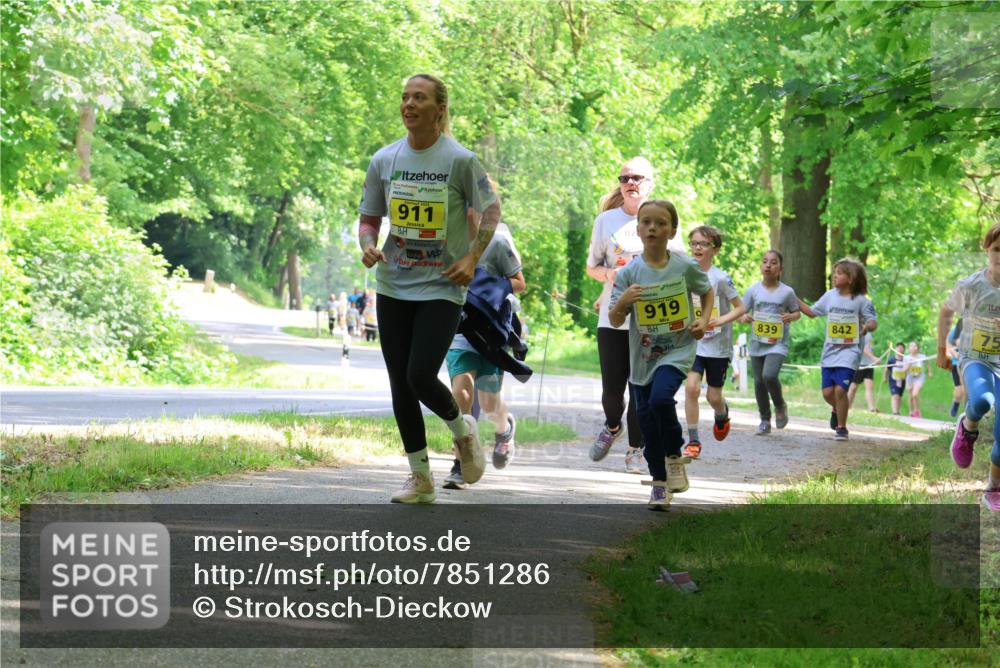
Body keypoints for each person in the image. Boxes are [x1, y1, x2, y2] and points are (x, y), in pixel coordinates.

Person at [358, 73, 500, 504]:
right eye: (404, 97)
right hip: (394, 283)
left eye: (419, 98)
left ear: (439, 109)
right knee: (400, 383)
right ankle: (420, 478)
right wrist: (367, 246)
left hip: (442, 285)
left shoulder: (459, 160)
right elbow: (369, 219)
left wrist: (472, 258)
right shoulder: (385, 159)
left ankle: (462, 429)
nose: (409, 104)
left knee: (420, 374)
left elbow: (491, 211)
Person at [608, 199, 713, 510]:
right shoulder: (630, 273)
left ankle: (674, 456)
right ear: (638, 230)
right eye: (646, 222)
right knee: (647, 422)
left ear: (672, 231)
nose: (652, 228)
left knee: (661, 400)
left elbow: (706, 291)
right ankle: (658, 484)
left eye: (660, 223)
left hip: (677, 349)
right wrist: (624, 301)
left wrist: (703, 321)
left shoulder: (684, 266)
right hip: (643, 357)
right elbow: (615, 320)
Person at [586, 158, 685, 473]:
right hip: (614, 316)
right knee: (612, 391)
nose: (630, 183)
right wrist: (613, 275)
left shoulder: (664, 219)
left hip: (651, 320)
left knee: (639, 386)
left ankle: (635, 449)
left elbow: (681, 268)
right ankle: (613, 426)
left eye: (637, 178)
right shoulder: (605, 221)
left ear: (650, 183)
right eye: (625, 177)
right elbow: (593, 268)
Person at [444, 203, 526, 490]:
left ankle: (504, 430)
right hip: (458, 331)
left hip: (491, 333)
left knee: (490, 403)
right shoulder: (446, 241)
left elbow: (519, 282)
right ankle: (461, 463)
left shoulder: (498, 243)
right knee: (461, 394)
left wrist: (488, 284)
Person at [937, 221, 1000, 511]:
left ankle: (994, 489)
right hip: (975, 357)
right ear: (987, 249)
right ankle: (968, 427)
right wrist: (942, 349)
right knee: (983, 400)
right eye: (997, 249)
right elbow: (946, 312)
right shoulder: (972, 285)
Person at [798, 258, 878, 441]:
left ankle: (842, 427)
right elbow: (812, 312)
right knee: (828, 393)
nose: (834, 276)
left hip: (850, 352)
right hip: (830, 353)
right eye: (834, 272)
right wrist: (793, 298)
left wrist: (868, 326)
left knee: (841, 391)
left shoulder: (861, 301)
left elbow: (872, 320)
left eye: (839, 273)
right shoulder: (830, 296)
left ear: (850, 278)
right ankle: (836, 408)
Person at [682, 225, 745, 458]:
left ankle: (721, 414)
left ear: (715, 250)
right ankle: (693, 441)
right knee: (691, 388)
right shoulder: (684, 274)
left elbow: (741, 308)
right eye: (694, 243)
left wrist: (719, 321)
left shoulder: (720, 278)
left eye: (704, 244)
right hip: (694, 342)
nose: (698, 248)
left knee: (713, 397)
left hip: (717, 346)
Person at [739, 250, 800, 435]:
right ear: (760, 266)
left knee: (769, 376)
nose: (768, 265)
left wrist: (790, 316)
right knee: (758, 382)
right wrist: (744, 317)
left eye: (773, 263)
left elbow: (797, 312)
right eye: (764, 261)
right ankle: (764, 420)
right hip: (758, 343)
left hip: (777, 343)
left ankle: (780, 405)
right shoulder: (753, 290)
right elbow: (741, 311)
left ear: (780, 268)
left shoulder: (787, 292)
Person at [848, 336, 879, 412]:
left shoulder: (870, 334)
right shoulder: (861, 333)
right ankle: (846, 406)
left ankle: (871, 408)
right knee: (853, 387)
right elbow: (863, 348)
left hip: (869, 365)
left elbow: (869, 348)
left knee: (869, 387)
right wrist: (873, 358)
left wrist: (873, 360)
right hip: (859, 364)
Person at [904, 341, 931, 418]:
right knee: (910, 396)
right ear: (909, 348)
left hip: (919, 377)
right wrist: (909, 364)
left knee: (915, 394)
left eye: (914, 346)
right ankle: (911, 411)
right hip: (910, 378)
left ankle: (917, 411)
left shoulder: (922, 356)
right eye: (911, 346)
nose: (913, 348)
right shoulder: (906, 357)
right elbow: (904, 370)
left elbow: (928, 362)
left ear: (918, 348)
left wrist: (930, 372)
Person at [947, 318, 965, 417]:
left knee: (968, 390)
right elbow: (949, 347)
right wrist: (955, 354)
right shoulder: (956, 331)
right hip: (956, 364)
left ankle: (969, 412)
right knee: (960, 391)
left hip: (970, 363)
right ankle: (956, 404)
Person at [885, 342, 907, 415]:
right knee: (895, 396)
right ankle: (895, 412)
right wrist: (885, 378)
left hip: (902, 380)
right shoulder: (891, 360)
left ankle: (897, 410)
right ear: (895, 349)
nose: (900, 349)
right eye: (898, 348)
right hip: (893, 380)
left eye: (902, 348)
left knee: (899, 396)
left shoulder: (906, 359)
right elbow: (887, 369)